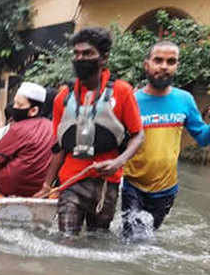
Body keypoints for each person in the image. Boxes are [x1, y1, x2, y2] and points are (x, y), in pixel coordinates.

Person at [34, 27, 144, 236]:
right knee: (66, 240)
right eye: (76, 54)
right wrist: (47, 184)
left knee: (97, 241)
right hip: (70, 182)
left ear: (103, 58)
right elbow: (58, 147)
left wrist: (118, 162)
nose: (80, 58)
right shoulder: (63, 98)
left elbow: (138, 135)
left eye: (87, 53)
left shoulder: (122, 92)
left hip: (106, 185)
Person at [122, 40, 210, 239]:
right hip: (133, 184)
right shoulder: (132, 100)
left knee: (147, 238)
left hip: (166, 189)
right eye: (158, 60)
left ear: (177, 66)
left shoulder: (185, 99)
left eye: (171, 61)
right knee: (133, 239)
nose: (164, 66)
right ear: (147, 65)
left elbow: (203, 138)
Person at [0, 82, 55, 197]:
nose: (14, 108)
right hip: (38, 190)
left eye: (19, 105)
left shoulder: (18, 129)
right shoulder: (51, 126)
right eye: (15, 103)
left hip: (10, 190)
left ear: (33, 111)